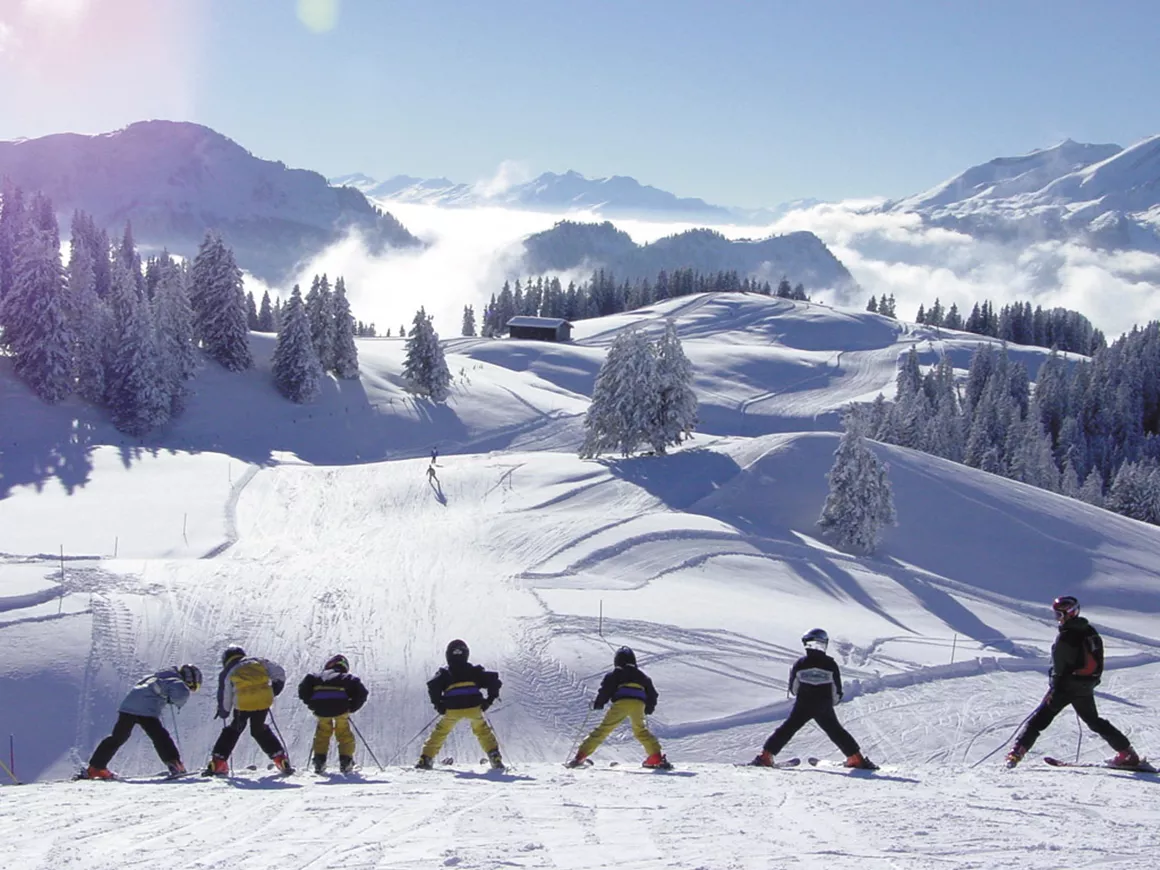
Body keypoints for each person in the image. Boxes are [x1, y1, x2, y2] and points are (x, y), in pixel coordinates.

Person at [1006, 596, 1140, 768]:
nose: (1057, 619)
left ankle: (1016, 754)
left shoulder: (1067, 636)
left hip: (1065, 687)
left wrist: (1055, 685)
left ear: (1068, 613)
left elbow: (1060, 666)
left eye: (1059, 615)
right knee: (1094, 721)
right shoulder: (1089, 630)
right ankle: (1127, 753)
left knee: (1038, 721)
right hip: (1085, 686)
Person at [750, 628, 876, 769]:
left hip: (804, 703)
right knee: (836, 731)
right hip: (823, 704)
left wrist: (804, 694)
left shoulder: (801, 664)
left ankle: (766, 756)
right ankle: (856, 758)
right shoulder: (830, 664)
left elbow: (794, 688)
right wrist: (831, 702)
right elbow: (836, 690)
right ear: (825, 644)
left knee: (787, 729)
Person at [80, 664, 202, 779]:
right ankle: (175, 765)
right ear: (189, 678)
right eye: (193, 686)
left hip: (127, 708)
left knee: (117, 738)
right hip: (146, 711)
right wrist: (173, 700)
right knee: (160, 737)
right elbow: (181, 694)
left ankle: (95, 768)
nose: (191, 688)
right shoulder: (176, 681)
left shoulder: (158, 676)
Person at [567, 646, 670, 769]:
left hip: (622, 702)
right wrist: (648, 708)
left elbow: (606, 690)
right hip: (639, 704)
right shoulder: (643, 676)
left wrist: (598, 703)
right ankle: (656, 758)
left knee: (603, 730)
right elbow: (652, 694)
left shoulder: (615, 674)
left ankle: (580, 757)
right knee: (641, 731)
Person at [416, 639, 504, 770]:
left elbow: (433, 686)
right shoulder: (474, 671)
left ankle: (426, 758)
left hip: (452, 708)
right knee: (482, 730)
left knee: (440, 732)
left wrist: (438, 705)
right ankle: (494, 756)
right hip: (474, 707)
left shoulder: (445, 673)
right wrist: (489, 700)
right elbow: (494, 681)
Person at [204, 645, 292, 776]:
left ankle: (218, 761)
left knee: (234, 729)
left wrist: (224, 711)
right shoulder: (257, 660)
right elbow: (279, 671)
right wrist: (274, 690)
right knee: (259, 729)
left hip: (243, 703)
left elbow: (225, 694)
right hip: (264, 699)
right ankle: (280, 758)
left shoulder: (228, 671)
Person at [297, 654, 369, 773]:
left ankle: (319, 762)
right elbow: (362, 693)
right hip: (341, 708)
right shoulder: (347, 678)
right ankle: (346, 762)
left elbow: (303, 689)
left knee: (322, 734)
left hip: (321, 709)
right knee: (344, 734)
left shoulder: (315, 677)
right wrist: (351, 707)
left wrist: (311, 704)